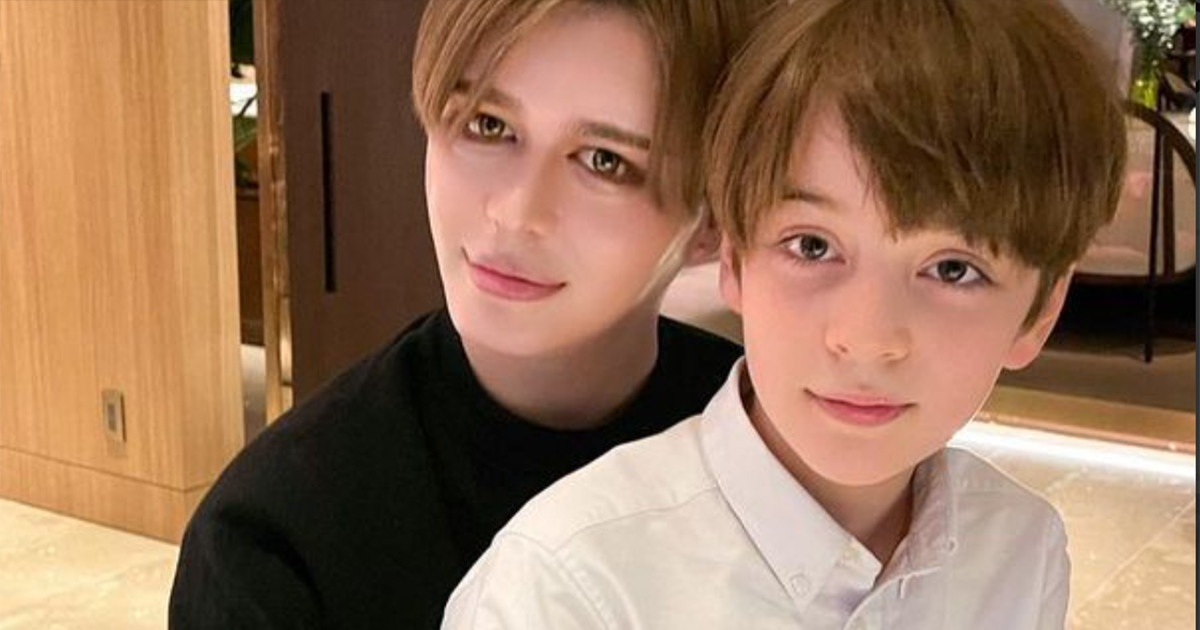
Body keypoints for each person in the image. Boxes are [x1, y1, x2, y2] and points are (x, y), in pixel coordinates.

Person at [440, 0, 1127, 627]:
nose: (865, 338)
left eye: (953, 269)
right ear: (734, 259)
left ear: (1041, 310)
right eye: (812, 246)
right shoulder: (568, 587)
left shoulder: (1020, 549)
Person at [168, 0, 768, 627]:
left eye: (604, 160)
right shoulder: (273, 539)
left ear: (711, 220)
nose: (515, 212)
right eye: (487, 124)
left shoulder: (774, 443)